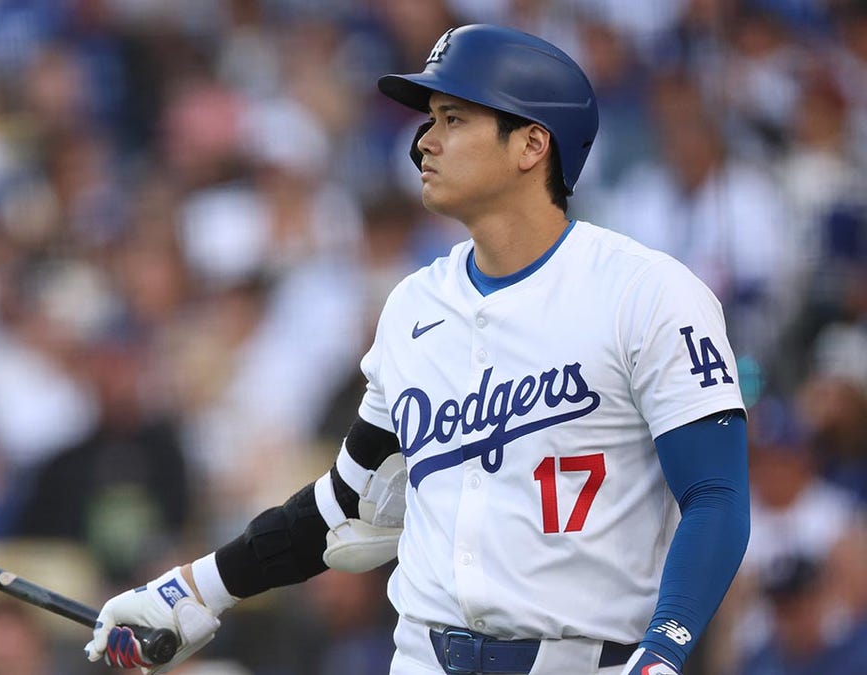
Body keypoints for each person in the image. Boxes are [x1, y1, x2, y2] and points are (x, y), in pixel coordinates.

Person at [84, 24, 751, 675]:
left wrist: (664, 652)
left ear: (531, 144)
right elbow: (350, 505)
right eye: (430, 118)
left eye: (453, 118)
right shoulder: (413, 306)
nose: (423, 141)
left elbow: (716, 493)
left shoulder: (647, 291)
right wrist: (195, 589)